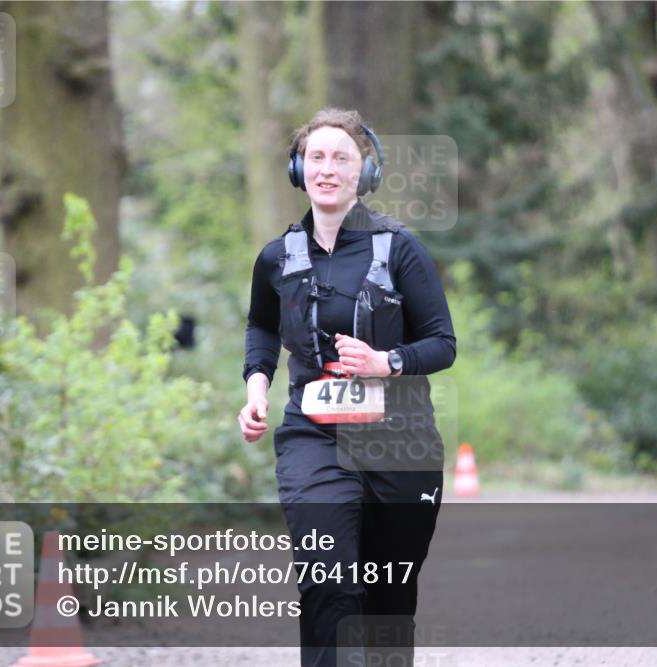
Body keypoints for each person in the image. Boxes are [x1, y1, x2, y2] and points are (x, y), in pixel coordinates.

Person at [237, 108, 456, 666]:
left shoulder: (400, 248)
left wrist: (388, 362)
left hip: (399, 440)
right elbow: (262, 325)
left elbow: (442, 343)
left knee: (387, 598)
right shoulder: (277, 258)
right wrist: (257, 387)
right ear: (298, 169)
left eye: (342, 158)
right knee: (327, 584)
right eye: (316, 157)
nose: (327, 169)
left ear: (365, 173)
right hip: (314, 435)